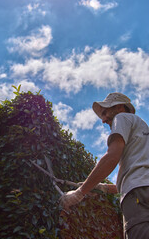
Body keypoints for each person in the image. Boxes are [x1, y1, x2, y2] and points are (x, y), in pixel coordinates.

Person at [60, 92, 149, 239]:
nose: (103, 119)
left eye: (105, 112)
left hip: (137, 196)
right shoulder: (143, 130)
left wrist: (79, 193)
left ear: (120, 107)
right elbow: (140, 176)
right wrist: (104, 187)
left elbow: (111, 157)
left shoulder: (122, 117)